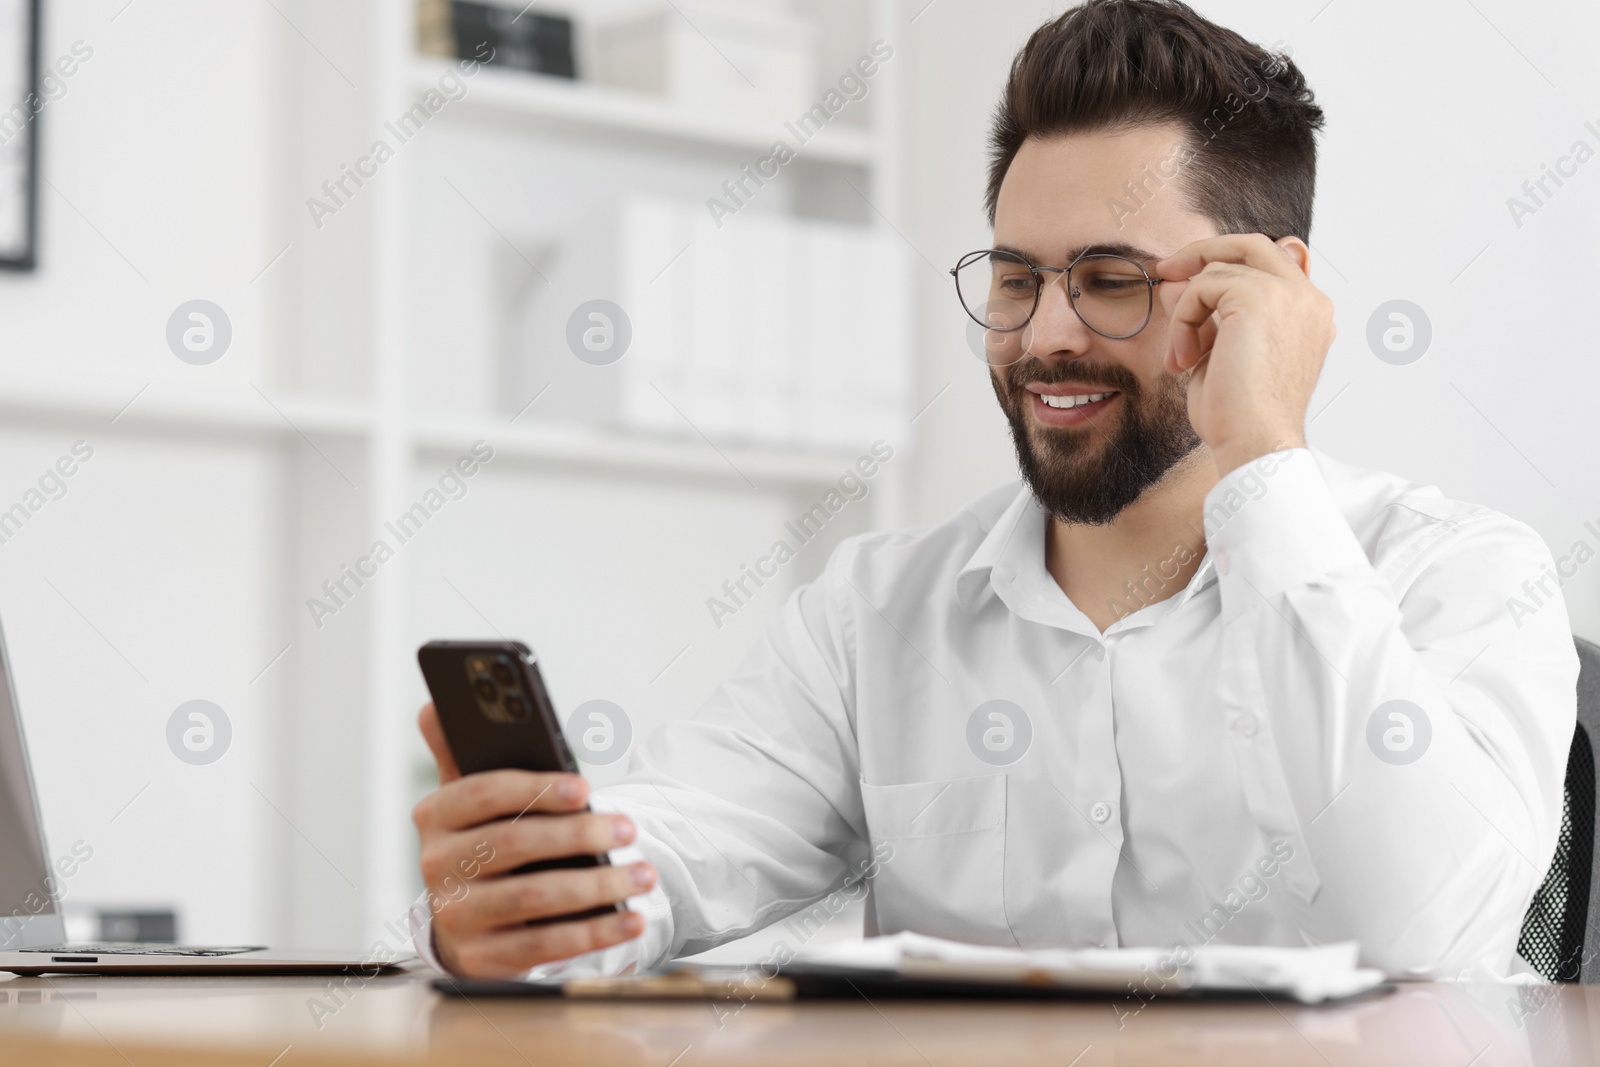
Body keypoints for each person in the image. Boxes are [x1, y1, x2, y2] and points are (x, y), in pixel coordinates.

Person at [409, 0, 1577, 982]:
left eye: (1111, 280)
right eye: (1017, 277)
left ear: (1266, 289)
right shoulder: (878, 610)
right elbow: (690, 831)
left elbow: (1434, 937)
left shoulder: (1462, 572)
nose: (1045, 336)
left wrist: (1262, 444)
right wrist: (542, 901)